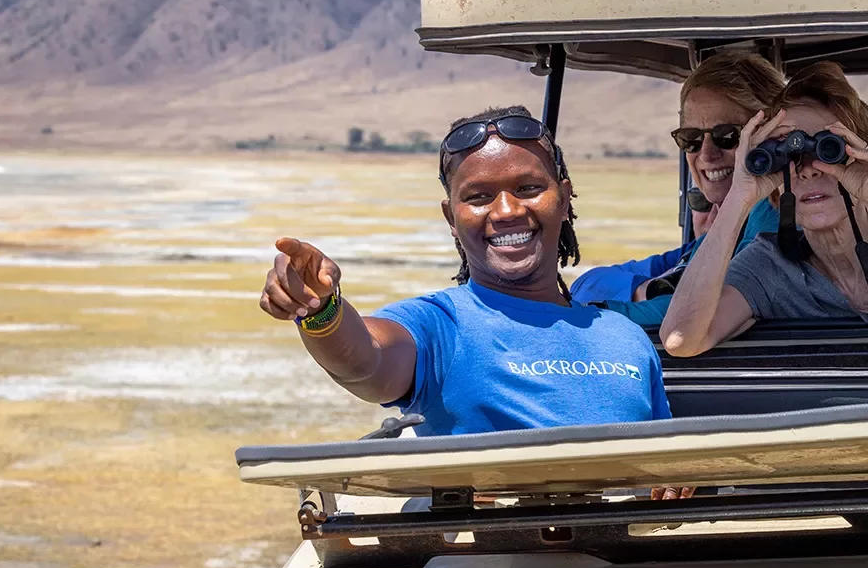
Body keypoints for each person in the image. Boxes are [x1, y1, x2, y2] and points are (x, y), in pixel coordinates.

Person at [258, 106, 670, 436]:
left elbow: (662, 470)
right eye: (478, 197)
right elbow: (366, 363)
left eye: (528, 189)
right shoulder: (439, 325)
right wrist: (321, 309)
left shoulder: (624, 336)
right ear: (451, 218)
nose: (507, 211)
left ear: (563, 198)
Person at [660, 62, 868, 357]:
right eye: (788, 155)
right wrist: (740, 194)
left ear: (865, 155)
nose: (808, 170)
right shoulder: (771, 265)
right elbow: (681, 339)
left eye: (829, 149)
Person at [569, 52, 787, 323]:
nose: (706, 155)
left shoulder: (775, 223)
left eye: (728, 136)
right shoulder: (718, 236)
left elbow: (687, 318)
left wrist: (575, 318)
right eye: (691, 139)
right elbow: (589, 282)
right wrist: (652, 288)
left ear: (773, 135)